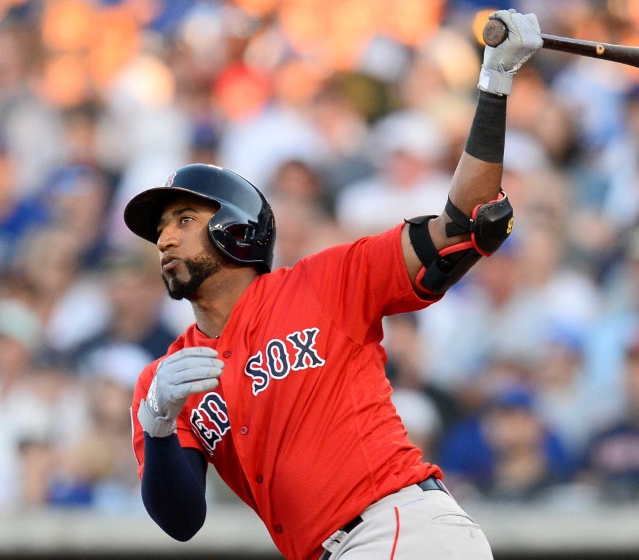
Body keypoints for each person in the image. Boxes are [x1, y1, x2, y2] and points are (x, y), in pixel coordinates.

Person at [123, 10, 542, 560]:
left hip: (398, 529)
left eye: (183, 220)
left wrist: (494, 83)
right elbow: (181, 521)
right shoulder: (166, 379)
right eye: (160, 230)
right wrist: (156, 424)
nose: (165, 241)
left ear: (236, 227)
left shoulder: (325, 282)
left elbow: (466, 224)